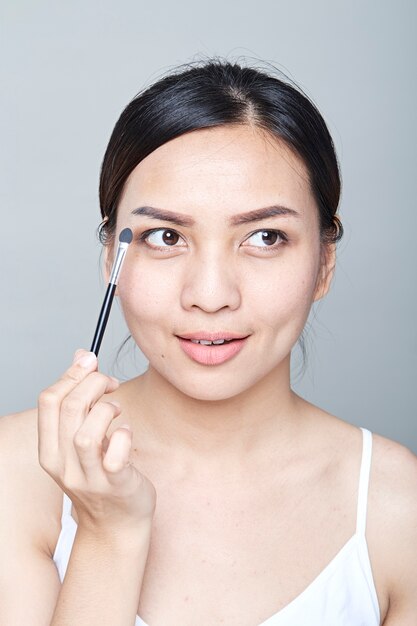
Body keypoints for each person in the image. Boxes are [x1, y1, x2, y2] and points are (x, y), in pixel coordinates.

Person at [0, 58, 416, 626]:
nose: (211, 295)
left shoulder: (399, 506)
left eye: (265, 237)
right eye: (166, 236)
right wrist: (108, 535)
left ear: (325, 262)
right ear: (111, 260)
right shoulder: (15, 473)